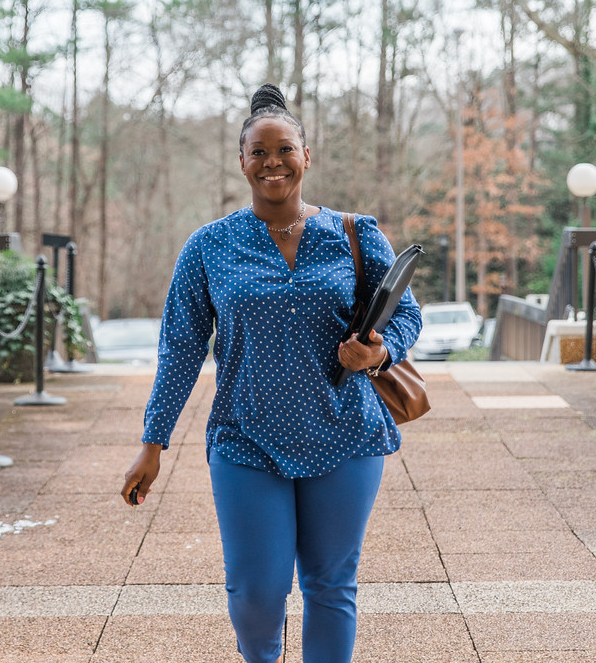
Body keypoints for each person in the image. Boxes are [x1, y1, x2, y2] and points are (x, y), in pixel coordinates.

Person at [121, 83, 422, 663]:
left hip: (345, 432)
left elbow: (404, 312)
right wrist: (152, 442)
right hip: (245, 436)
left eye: (284, 149)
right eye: (258, 152)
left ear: (307, 156)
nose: (272, 162)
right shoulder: (209, 246)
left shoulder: (355, 233)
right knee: (256, 592)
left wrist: (380, 354)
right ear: (241, 163)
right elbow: (179, 348)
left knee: (330, 585)